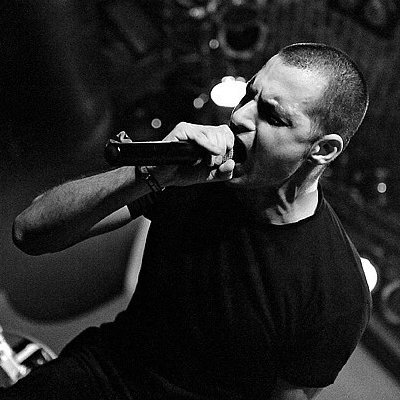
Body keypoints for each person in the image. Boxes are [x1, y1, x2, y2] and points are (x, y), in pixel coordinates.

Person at [7, 43, 371, 400]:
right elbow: (29, 232)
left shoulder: (337, 291)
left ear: (323, 149)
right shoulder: (194, 174)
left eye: (272, 116)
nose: (240, 117)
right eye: (249, 95)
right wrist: (149, 173)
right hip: (101, 375)